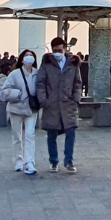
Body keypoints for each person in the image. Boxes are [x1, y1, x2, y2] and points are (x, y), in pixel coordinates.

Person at [36, 37, 81, 173]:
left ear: (65, 49)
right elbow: (40, 83)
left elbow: (78, 83)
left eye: (60, 50)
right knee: (51, 134)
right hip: (52, 104)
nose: (57, 53)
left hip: (69, 104)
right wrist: (44, 100)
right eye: (55, 50)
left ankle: (69, 161)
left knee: (71, 131)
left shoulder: (73, 64)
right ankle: (53, 161)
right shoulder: (46, 64)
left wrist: (76, 99)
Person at [0, 50, 38, 174]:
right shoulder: (14, 74)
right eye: (27, 56)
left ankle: (29, 161)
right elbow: (4, 90)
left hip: (31, 108)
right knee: (17, 135)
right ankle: (19, 159)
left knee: (30, 134)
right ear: (21, 59)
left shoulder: (37, 73)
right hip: (16, 108)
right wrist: (17, 94)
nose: (29, 58)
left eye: (31, 56)